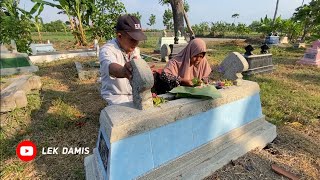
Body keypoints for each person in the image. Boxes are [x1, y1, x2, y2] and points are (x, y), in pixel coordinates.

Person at [99, 14, 147, 105]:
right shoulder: (107, 50)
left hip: (133, 94)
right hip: (115, 96)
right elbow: (111, 67)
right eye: (132, 39)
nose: (136, 43)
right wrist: (124, 71)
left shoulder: (135, 50)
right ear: (119, 36)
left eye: (137, 39)